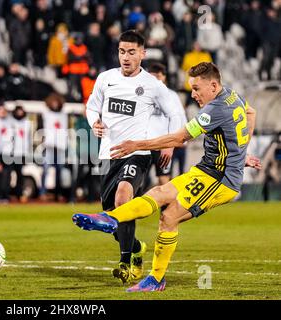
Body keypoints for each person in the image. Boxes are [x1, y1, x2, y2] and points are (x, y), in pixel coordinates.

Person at [72, 62, 262, 292]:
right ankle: (110, 218)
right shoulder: (231, 95)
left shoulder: (215, 109)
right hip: (205, 170)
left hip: (220, 180)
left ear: (213, 85)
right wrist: (242, 150)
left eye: (196, 88)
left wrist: (137, 145)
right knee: (159, 193)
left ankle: (156, 278)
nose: (193, 95)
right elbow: (251, 113)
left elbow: (179, 139)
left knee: (169, 217)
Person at [83, 30, 184, 284]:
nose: (125, 57)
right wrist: (94, 121)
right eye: (121, 51)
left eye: (131, 52)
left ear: (142, 53)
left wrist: (169, 144)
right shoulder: (106, 79)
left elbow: (176, 113)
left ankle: (125, 262)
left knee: (122, 199)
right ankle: (137, 247)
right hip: (109, 154)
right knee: (110, 214)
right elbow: (92, 106)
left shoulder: (152, 85)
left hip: (138, 153)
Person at [146, 63, 187, 187]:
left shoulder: (172, 95)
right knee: (139, 180)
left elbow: (180, 117)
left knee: (164, 179)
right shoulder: (142, 94)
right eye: (152, 77)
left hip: (163, 143)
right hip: (144, 144)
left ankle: (166, 207)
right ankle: (135, 206)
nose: (156, 80)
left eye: (158, 76)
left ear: (164, 77)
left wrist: (182, 139)